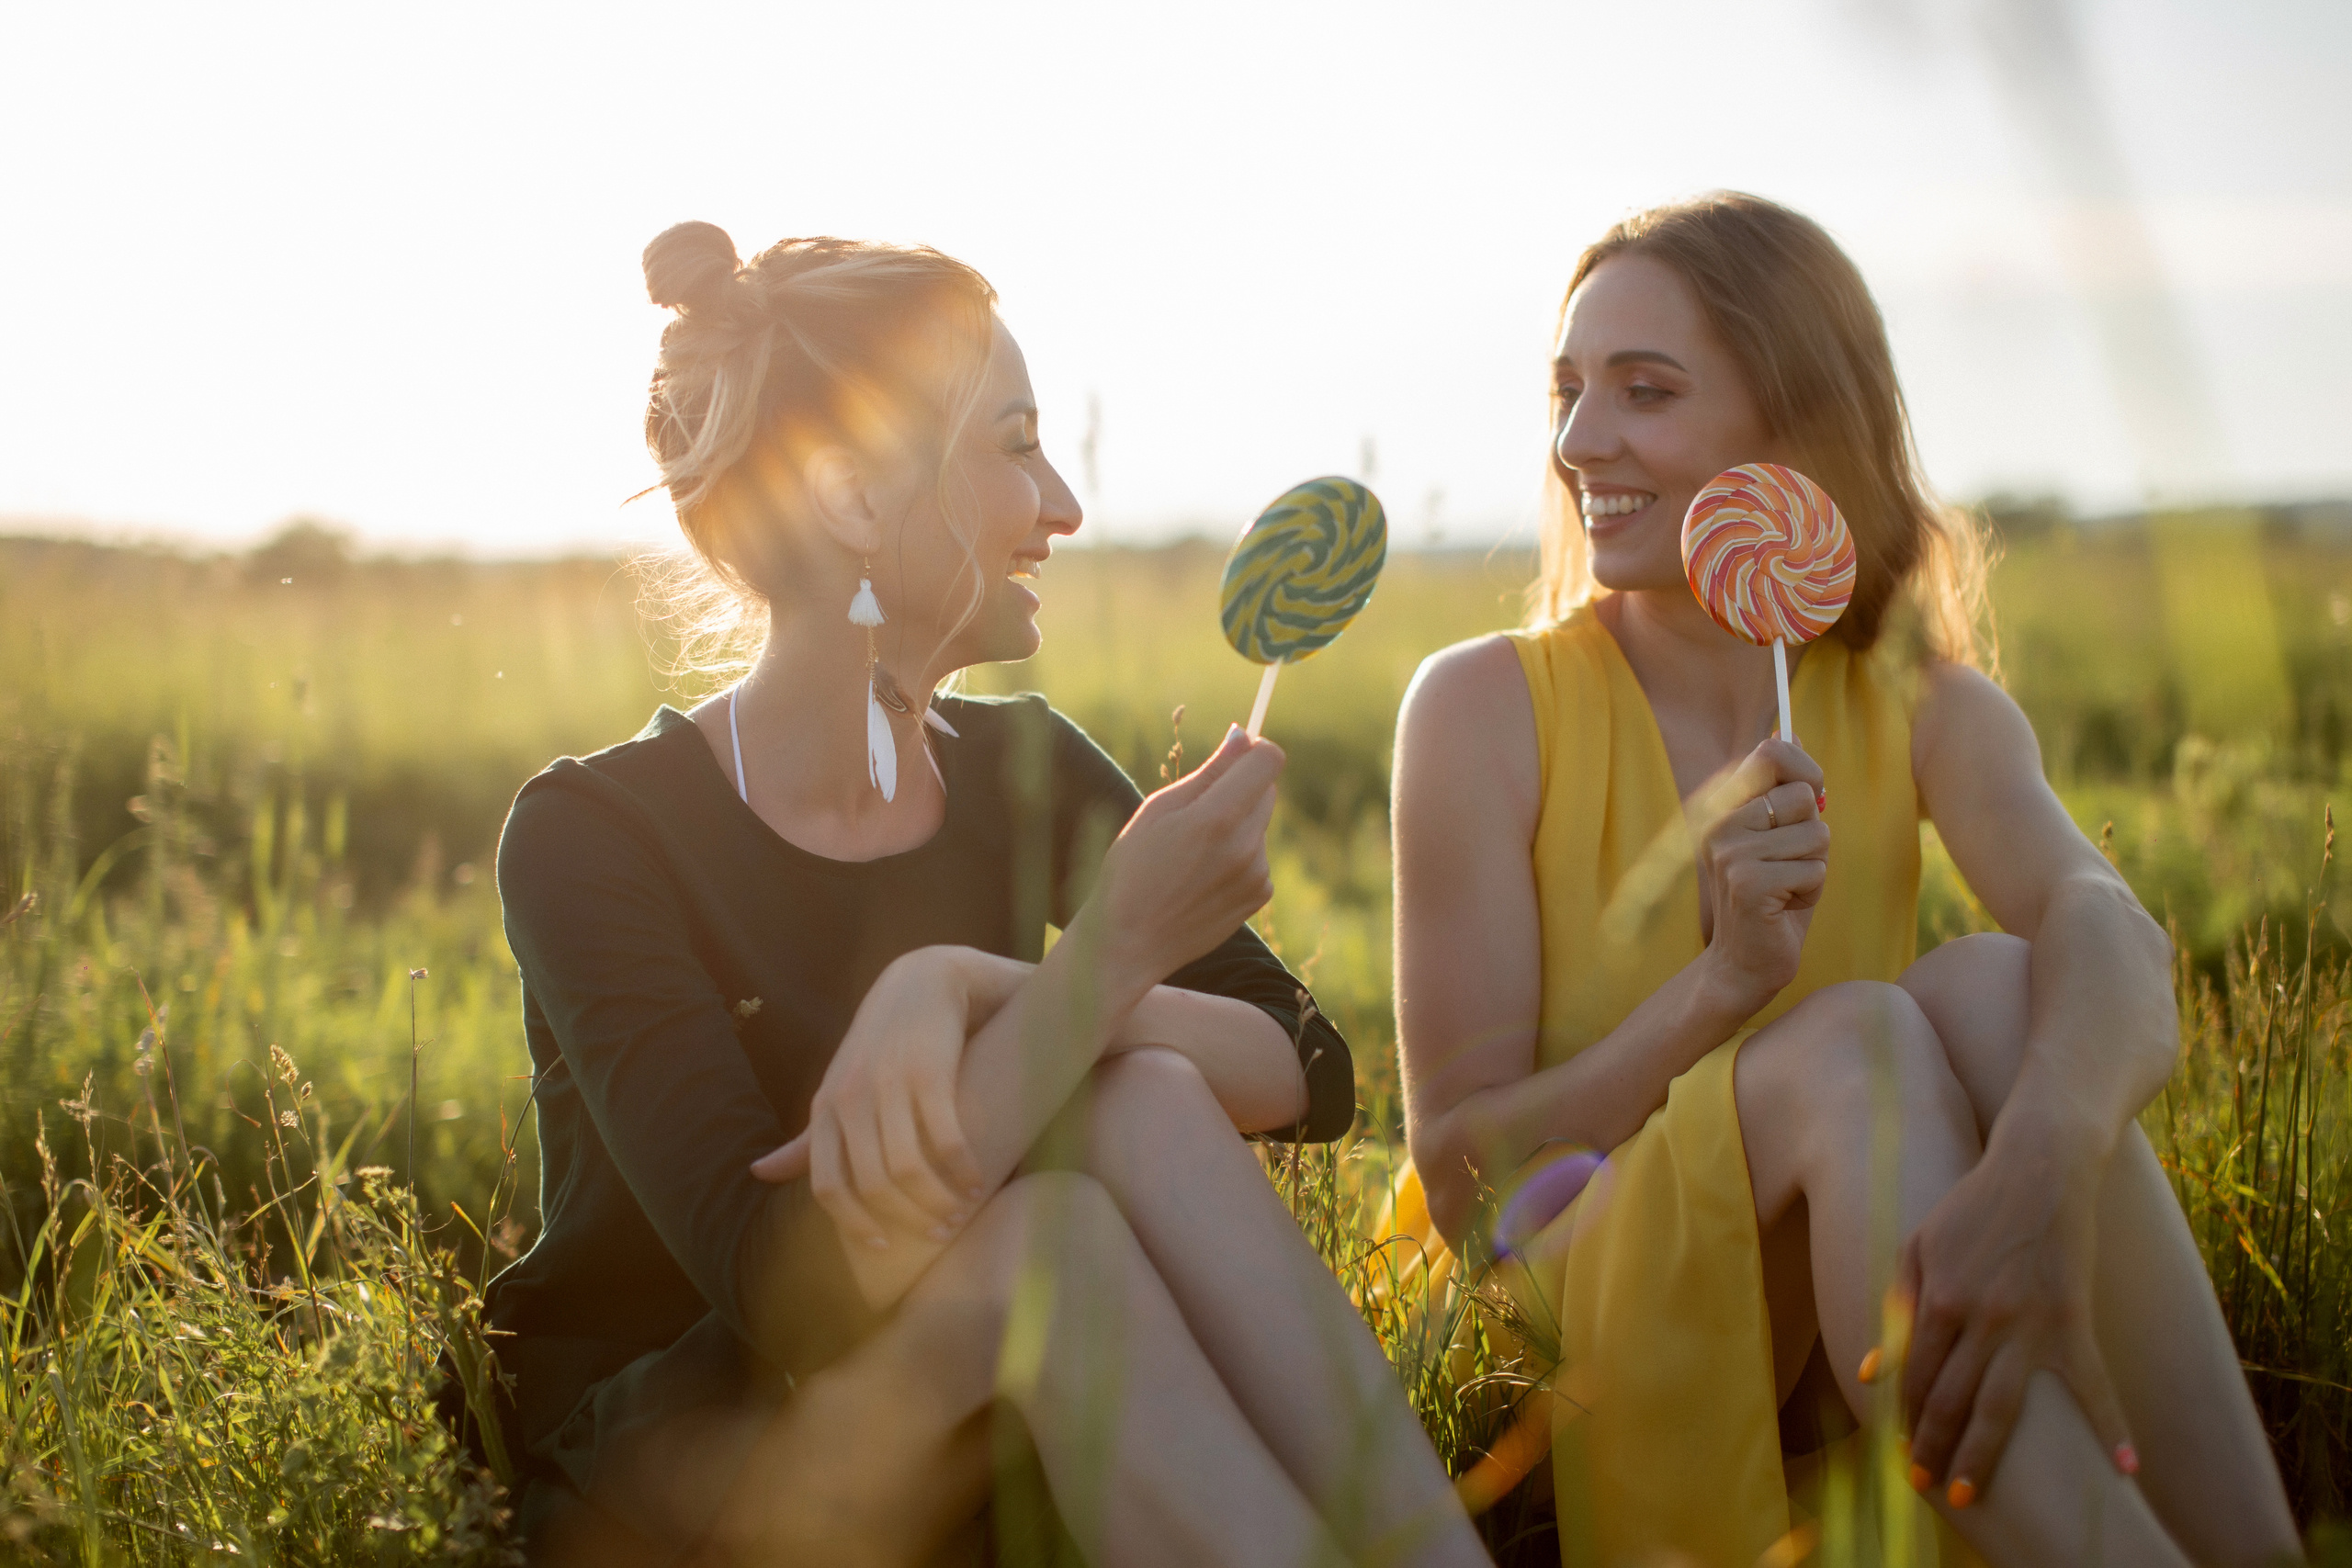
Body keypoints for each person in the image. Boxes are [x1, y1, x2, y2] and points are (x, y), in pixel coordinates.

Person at [485, 222, 1491, 1568]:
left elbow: (1304, 1069)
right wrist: (1116, 949)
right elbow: (793, 1295)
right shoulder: (594, 835)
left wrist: (967, 988)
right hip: (702, 1467)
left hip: (996, 1398)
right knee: (1053, 1249)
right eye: (1015, 445)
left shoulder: (1027, 765)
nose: (1063, 505)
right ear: (850, 500)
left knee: (1133, 1096)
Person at [1389, 193, 2300, 1567]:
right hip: (1556, 1303)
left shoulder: (1917, 703)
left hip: (1839, 1273)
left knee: (2000, 984)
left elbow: (2111, 936)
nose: (1580, 443)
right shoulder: (1480, 709)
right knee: (1857, 1038)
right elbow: (1466, 1190)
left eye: (1645, 391)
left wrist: (2038, 1176)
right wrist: (1719, 990)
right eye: (1569, 390)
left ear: (1795, 426)